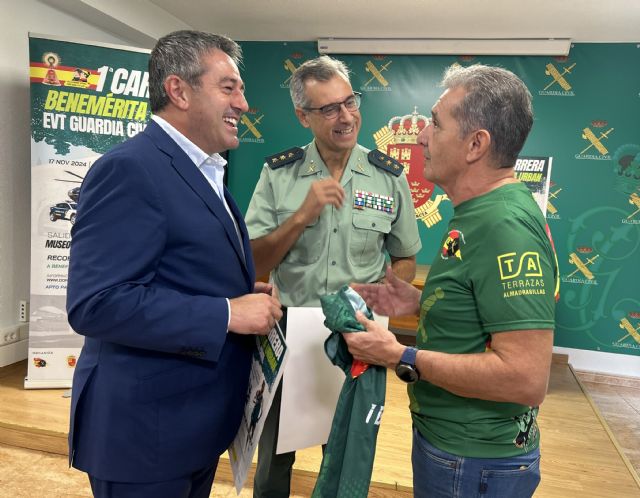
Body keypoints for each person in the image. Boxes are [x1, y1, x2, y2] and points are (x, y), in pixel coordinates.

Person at [66, 30, 282, 498]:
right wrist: (229, 312)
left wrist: (241, 292)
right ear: (179, 91)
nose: (244, 104)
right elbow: (96, 303)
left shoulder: (204, 169)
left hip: (192, 427)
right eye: (229, 88)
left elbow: (181, 269)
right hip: (145, 436)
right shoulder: (130, 169)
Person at [344, 64, 558, 498]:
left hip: (472, 460)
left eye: (436, 124)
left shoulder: (504, 225)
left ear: (476, 144)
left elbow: (525, 377)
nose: (422, 136)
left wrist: (399, 353)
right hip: (457, 448)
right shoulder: (481, 211)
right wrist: (421, 302)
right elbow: (486, 312)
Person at [244, 55, 422, 498]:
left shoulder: (388, 176)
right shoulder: (278, 173)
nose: (346, 117)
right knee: (274, 459)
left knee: (345, 453)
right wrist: (301, 215)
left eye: (350, 102)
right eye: (329, 109)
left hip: (355, 337)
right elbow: (253, 258)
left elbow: (404, 257)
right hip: (286, 333)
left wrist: (384, 297)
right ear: (303, 116)